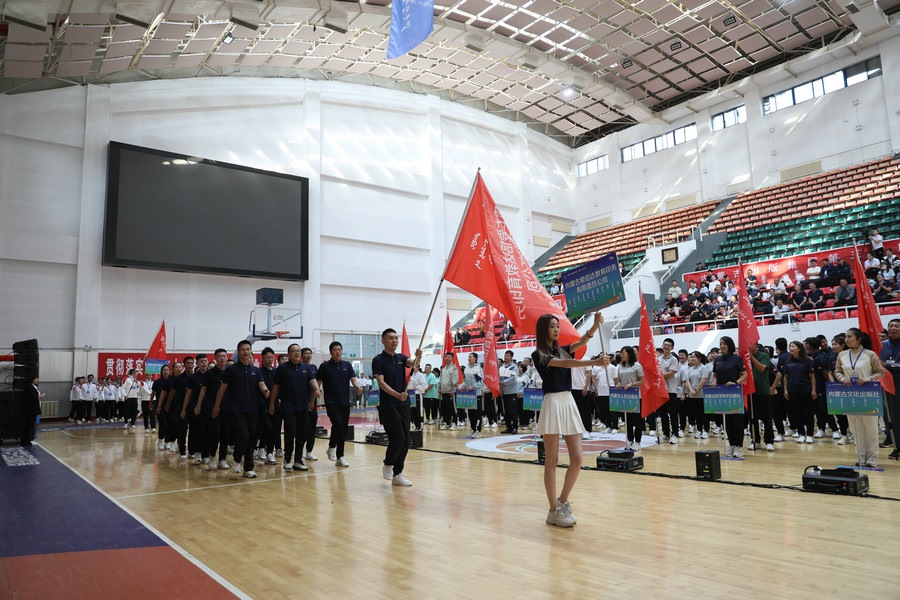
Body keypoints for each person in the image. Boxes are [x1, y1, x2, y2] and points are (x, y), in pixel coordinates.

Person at [532, 312, 608, 528]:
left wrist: (595, 325)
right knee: (552, 460)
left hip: (568, 401)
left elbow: (582, 341)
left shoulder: (562, 349)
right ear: (543, 329)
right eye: (552, 326)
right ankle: (552, 511)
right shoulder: (539, 354)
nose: (556, 329)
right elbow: (565, 364)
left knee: (577, 458)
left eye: (557, 326)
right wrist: (595, 361)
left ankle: (563, 501)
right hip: (552, 403)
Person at [371, 328, 422, 487]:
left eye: (396, 338)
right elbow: (381, 383)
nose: (394, 340)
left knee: (406, 440)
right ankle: (388, 463)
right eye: (390, 338)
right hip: (388, 404)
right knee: (398, 438)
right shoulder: (378, 360)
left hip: (403, 403)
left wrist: (418, 356)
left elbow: (414, 365)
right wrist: (397, 395)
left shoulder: (401, 358)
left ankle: (398, 474)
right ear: (383, 341)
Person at [214, 340, 270, 478]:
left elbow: (261, 384)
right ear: (238, 352)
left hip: (252, 409)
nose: (246, 352)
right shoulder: (231, 370)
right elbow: (222, 389)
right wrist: (217, 406)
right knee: (243, 434)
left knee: (251, 438)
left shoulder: (256, 370)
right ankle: (237, 460)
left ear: (251, 352)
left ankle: (248, 468)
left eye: (248, 349)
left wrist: (265, 390)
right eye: (243, 349)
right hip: (235, 409)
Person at [835, 328, 885, 467]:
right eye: (845, 337)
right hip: (850, 395)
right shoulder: (842, 355)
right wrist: (842, 378)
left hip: (868, 395)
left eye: (849, 336)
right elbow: (837, 371)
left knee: (871, 428)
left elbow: (880, 372)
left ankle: (872, 457)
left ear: (859, 338)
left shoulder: (870, 354)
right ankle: (861, 455)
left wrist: (868, 378)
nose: (846, 339)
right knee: (855, 428)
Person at [270, 344, 318, 472]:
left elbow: (312, 380)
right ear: (289, 354)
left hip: (303, 407)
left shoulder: (305, 367)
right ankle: (287, 459)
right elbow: (275, 387)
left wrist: (317, 388)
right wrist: (272, 404)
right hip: (288, 407)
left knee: (302, 434)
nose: (297, 353)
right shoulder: (282, 368)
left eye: (298, 351)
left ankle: (298, 460)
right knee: (290, 433)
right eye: (294, 351)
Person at [317, 341, 362, 467]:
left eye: (340, 349)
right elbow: (318, 381)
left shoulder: (347, 365)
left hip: (345, 401)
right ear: (331, 352)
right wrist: (316, 390)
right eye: (335, 349)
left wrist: (358, 386)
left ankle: (340, 457)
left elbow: (353, 379)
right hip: (331, 401)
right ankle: (332, 447)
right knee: (338, 423)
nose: (338, 352)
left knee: (343, 429)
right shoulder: (324, 366)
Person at [710, 336, 748, 458]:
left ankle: (738, 447)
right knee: (727, 422)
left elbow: (745, 375)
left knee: (737, 421)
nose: (722, 346)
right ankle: (731, 445)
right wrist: (714, 382)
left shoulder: (736, 359)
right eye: (720, 343)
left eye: (724, 344)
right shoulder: (717, 359)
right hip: (721, 393)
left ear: (729, 345)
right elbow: (715, 374)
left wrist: (735, 383)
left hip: (734, 393)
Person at [197, 349, 229, 469]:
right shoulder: (209, 373)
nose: (222, 358)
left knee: (225, 435)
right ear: (215, 358)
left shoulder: (230, 372)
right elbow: (203, 390)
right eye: (219, 356)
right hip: (211, 408)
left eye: (224, 356)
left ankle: (222, 459)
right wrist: (198, 405)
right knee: (214, 434)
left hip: (227, 409)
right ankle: (212, 456)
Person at [781, 341, 816, 443]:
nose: (791, 348)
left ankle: (810, 434)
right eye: (790, 346)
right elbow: (786, 377)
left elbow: (812, 376)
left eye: (793, 346)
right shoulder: (788, 361)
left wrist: (813, 390)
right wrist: (785, 390)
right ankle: (801, 434)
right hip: (792, 391)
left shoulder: (807, 361)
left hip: (805, 390)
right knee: (796, 413)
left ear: (799, 348)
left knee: (808, 413)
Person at [747, 343, 774, 451]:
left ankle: (769, 441)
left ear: (756, 345)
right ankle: (755, 440)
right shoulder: (745, 358)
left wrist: (751, 357)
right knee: (752, 418)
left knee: (767, 418)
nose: (749, 347)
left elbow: (762, 368)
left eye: (751, 345)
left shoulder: (764, 355)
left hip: (763, 391)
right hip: (750, 392)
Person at [616, 346, 644, 450]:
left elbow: (642, 381)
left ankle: (638, 442)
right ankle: (630, 440)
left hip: (635, 396)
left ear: (629, 353)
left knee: (637, 420)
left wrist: (632, 384)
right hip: (624, 396)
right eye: (621, 353)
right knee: (628, 421)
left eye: (624, 353)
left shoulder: (637, 366)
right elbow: (619, 380)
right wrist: (618, 384)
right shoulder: (620, 367)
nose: (622, 355)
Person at [880, 319, 900, 460]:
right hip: (888, 384)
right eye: (891, 326)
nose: (893, 328)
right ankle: (897, 447)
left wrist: (888, 365)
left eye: (896, 326)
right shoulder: (882, 346)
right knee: (893, 417)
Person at [681, 351, 709, 439]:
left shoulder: (704, 368)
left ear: (699, 358)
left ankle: (706, 430)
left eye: (694, 357)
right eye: (691, 357)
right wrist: (691, 390)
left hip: (702, 394)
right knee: (696, 413)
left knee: (704, 413)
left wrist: (696, 390)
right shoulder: (690, 369)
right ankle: (699, 429)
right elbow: (687, 380)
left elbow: (704, 380)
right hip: (692, 395)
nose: (692, 358)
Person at [301, 348, 321, 463]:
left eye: (309, 353)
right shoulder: (299, 367)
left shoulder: (314, 368)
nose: (308, 355)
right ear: (301, 355)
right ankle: (300, 449)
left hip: (312, 401)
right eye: (306, 353)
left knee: (312, 428)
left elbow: (316, 383)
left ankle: (309, 451)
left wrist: (313, 401)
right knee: (304, 427)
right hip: (302, 402)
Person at [462, 352, 485, 438]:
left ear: (475, 359)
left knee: (477, 413)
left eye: (471, 357)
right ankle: (473, 429)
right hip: (469, 395)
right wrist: (462, 386)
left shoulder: (478, 369)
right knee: (471, 413)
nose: (469, 358)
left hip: (476, 394)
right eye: (468, 357)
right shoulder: (466, 368)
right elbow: (465, 381)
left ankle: (478, 431)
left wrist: (473, 386)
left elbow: (481, 382)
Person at [151, 365, 172, 450]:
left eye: (167, 370)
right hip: (159, 405)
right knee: (163, 423)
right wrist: (150, 403)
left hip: (170, 405)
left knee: (169, 424)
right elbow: (153, 393)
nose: (166, 371)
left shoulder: (172, 381)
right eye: (164, 370)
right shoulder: (157, 382)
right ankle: (160, 440)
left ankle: (167, 441)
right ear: (161, 371)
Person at [499, 350, 519, 434]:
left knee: (513, 411)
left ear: (511, 357)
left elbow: (513, 379)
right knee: (506, 411)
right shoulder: (502, 368)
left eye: (507, 356)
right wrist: (500, 388)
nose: (505, 357)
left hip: (511, 392)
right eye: (505, 355)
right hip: (504, 392)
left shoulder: (514, 367)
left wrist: (503, 382)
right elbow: (499, 378)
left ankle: (515, 427)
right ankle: (508, 427)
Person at [438, 353, 459, 430]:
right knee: (445, 409)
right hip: (444, 392)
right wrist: (439, 388)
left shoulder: (454, 368)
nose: (447, 358)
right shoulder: (443, 369)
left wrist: (454, 390)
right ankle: (447, 423)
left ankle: (455, 423)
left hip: (450, 392)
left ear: (452, 358)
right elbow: (440, 380)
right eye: (446, 357)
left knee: (452, 409)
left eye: (449, 357)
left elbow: (455, 380)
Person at [20, 375, 43, 447]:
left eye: (37, 378)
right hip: (30, 410)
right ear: (32, 380)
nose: (37, 380)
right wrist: (39, 396)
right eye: (35, 379)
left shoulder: (33, 387)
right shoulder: (29, 388)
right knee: (29, 426)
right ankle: (26, 441)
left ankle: (29, 440)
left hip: (32, 410)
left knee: (31, 426)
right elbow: (32, 397)